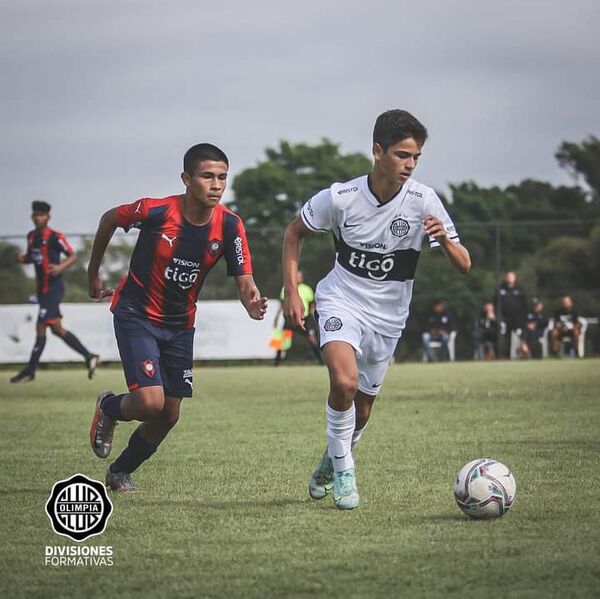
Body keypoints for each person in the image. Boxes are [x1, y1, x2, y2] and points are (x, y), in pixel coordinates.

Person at [282, 109, 471, 509]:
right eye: (403, 155)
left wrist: (446, 241)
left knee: (363, 410)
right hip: (340, 300)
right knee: (344, 384)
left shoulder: (425, 201)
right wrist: (292, 292)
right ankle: (346, 473)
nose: (410, 164)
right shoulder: (340, 197)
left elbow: (465, 264)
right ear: (377, 151)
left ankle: (331, 461)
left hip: (389, 318)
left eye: (416, 157)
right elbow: (294, 232)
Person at [87, 143, 267, 492]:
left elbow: (246, 281)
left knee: (168, 415)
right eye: (207, 176)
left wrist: (251, 301)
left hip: (180, 325)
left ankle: (120, 472)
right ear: (186, 179)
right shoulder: (155, 212)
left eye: (222, 178)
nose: (216, 185)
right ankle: (109, 407)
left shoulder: (230, 226)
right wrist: (93, 273)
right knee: (150, 402)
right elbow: (110, 218)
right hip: (136, 314)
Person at [10, 201, 99, 383]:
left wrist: (60, 267)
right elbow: (32, 257)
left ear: (48, 217)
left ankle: (30, 370)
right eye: (35, 215)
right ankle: (89, 356)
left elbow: (72, 256)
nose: (38, 218)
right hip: (42, 289)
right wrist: (23, 259)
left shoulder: (55, 237)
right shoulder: (31, 237)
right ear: (32, 217)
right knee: (57, 330)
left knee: (41, 326)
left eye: (41, 215)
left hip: (54, 288)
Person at [272, 271, 322, 365]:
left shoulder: (307, 289)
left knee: (312, 339)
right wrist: (277, 318)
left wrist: (314, 317)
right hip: (290, 318)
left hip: (304, 319)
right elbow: (282, 305)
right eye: (296, 276)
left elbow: (312, 305)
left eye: (300, 276)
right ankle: (276, 363)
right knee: (282, 341)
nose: (298, 278)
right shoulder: (286, 288)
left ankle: (321, 361)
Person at [493, 270, 527, 358]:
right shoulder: (500, 289)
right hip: (505, 319)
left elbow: (525, 305)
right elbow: (495, 304)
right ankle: (504, 355)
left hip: (517, 319)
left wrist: (523, 319)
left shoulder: (520, 289)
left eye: (511, 276)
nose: (509, 278)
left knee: (521, 337)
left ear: (515, 278)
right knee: (505, 338)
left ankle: (522, 353)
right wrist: (499, 318)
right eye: (508, 276)